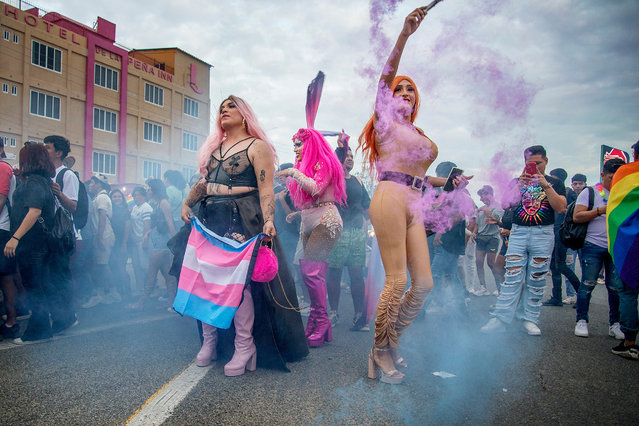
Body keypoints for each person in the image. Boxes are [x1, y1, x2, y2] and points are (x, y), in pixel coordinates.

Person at [357, 7, 458, 384]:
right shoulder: (384, 122)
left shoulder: (416, 132)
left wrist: (447, 186)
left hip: (416, 201)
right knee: (397, 281)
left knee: (424, 284)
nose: (402, 92)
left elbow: (421, 175)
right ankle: (380, 351)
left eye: (408, 88)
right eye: (398, 88)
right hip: (390, 196)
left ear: (416, 99)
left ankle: (388, 342)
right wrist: (404, 36)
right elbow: (384, 78)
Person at [180, 95, 308, 375]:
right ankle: (210, 343)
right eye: (221, 108)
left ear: (245, 114)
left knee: (240, 283)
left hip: (243, 215)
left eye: (231, 106)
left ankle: (244, 346)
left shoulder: (256, 146)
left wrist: (270, 219)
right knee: (206, 279)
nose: (224, 111)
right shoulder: (215, 148)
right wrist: (187, 202)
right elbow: (204, 182)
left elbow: (265, 189)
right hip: (210, 215)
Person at [481, 145, 566, 336]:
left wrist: (545, 184)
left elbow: (560, 207)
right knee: (512, 276)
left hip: (543, 232)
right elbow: (505, 204)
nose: (535, 167)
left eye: (538, 163)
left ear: (546, 161)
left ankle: (529, 318)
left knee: (537, 277)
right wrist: (519, 185)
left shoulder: (555, 183)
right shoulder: (516, 181)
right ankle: (501, 317)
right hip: (518, 232)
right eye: (530, 164)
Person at [275, 127, 346, 347]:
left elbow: (316, 189)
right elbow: (310, 200)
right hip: (308, 220)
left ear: (310, 144)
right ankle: (317, 321)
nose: (295, 149)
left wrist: (292, 173)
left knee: (312, 273)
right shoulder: (306, 166)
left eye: (298, 144)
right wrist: (298, 213)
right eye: (294, 144)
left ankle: (322, 321)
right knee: (310, 275)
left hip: (326, 221)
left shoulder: (323, 162)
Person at [4, 143, 56, 343]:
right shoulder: (40, 180)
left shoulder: (35, 182)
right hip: (36, 244)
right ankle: (42, 328)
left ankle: (39, 330)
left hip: (32, 244)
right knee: (36, 285)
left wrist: (15, 238)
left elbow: (34, 212)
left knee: (34, 286)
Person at [573, 158, 626, 339]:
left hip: (615, 246)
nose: (614, 181)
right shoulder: (590, 192)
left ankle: (615, 324)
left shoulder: (624, 192)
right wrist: (599, 211)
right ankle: (581, 320)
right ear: (603, 175)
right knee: (587, 284)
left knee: (615, 287)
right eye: (611, 177)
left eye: (618, 177)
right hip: (592, 245)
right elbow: (577, 216)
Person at [325, 146, 371, 331]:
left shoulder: (358, 181)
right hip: (337, 231)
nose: (350, 159)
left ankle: (359, 315)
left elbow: (367, 206)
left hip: (357, 233)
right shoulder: (332, 179)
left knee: (357, 274)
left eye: (352, 156)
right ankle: (334, 313)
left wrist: (367, 221)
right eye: (346, 156)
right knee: (334, 273)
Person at [44, 135, 79, 332]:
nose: (45, 150)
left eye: (47, 148)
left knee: (61, 276)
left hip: (62, 235)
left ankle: (69, 315)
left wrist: (59, 193)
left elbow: (73, 206)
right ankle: (58, 314)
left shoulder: (67, 175)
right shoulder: (46, 173)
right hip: (48, 234)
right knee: (50, 277)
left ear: (58, 153)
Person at [608, 140, 639, 359]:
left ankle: (630, 343)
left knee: (627, 291)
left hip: (631, 244)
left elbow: (615, 209)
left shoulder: (626, 173)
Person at [127, 179, 176, 309]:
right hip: (158, 241)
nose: (147, 191)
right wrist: (148, 233)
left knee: (152, 271)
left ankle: (141, 302)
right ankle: (171, 303)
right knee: (166, 273)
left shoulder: (164, 203)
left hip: (162, 243)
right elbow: (158, 224)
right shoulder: (157, 203)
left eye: (148, 188)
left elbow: (169, 222)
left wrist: (175, 242)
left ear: (154, 190)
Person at [543, 168, 581, 307]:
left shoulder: (568, 193)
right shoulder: (563, 192)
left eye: (552, 178)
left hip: (562, 233)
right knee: (554, 266)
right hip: (556, 230)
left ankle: (581, 294)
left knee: (561, 265)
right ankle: (557, 297)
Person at [82, 174, 118, 308]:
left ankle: (113, 293)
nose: (90, 185)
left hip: (104, 235)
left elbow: (102, 217)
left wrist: (100, 237)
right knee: (100, 265)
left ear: (99, 185)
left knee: (103, 265)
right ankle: (105, 292)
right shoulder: (98, 197)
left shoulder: (102, 197)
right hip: (102, 235)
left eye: (92, 183)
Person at [0, 149, 19, 340]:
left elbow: (1, 199)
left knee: (6, 277)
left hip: (2, 228)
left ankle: (11, 321)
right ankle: (10, 320)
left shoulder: (2, 167)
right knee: (5, 276)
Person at [472, 185, 504, 296]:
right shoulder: (483, 207)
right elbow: (477, 222)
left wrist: (485, 210)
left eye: (483, 196)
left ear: (490, 194)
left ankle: (499, 288)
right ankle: (483, 287)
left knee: (491, 263)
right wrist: (474, 232)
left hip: (492, 238)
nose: (481, 199)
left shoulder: (498, 206)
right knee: (478, 262)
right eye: (480, 197)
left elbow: (496, 220)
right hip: (481, 237)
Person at [129, 186, 152, 296]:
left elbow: (147, 225)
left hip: (142, 240)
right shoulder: (135, 207)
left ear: (144, 196)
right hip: (135, 241)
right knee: (136, 265)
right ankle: (140, 288)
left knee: (145, 265)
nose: (136, 197)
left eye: (139, 194)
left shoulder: (146, 207)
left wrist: (145, 239)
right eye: (135, 195)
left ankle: (150, 287)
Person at [109, 189, 131, 300]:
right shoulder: (110, 210)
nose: (117, 199)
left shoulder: (125, 211)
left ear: (122, 198)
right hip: (113, 242)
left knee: (121, 267)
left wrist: (124, 244)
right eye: (114, 196)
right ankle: (119, 291)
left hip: (122, 242)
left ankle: (127, 292)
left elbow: (127, 227)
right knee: (114, 267)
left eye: (119, 196)